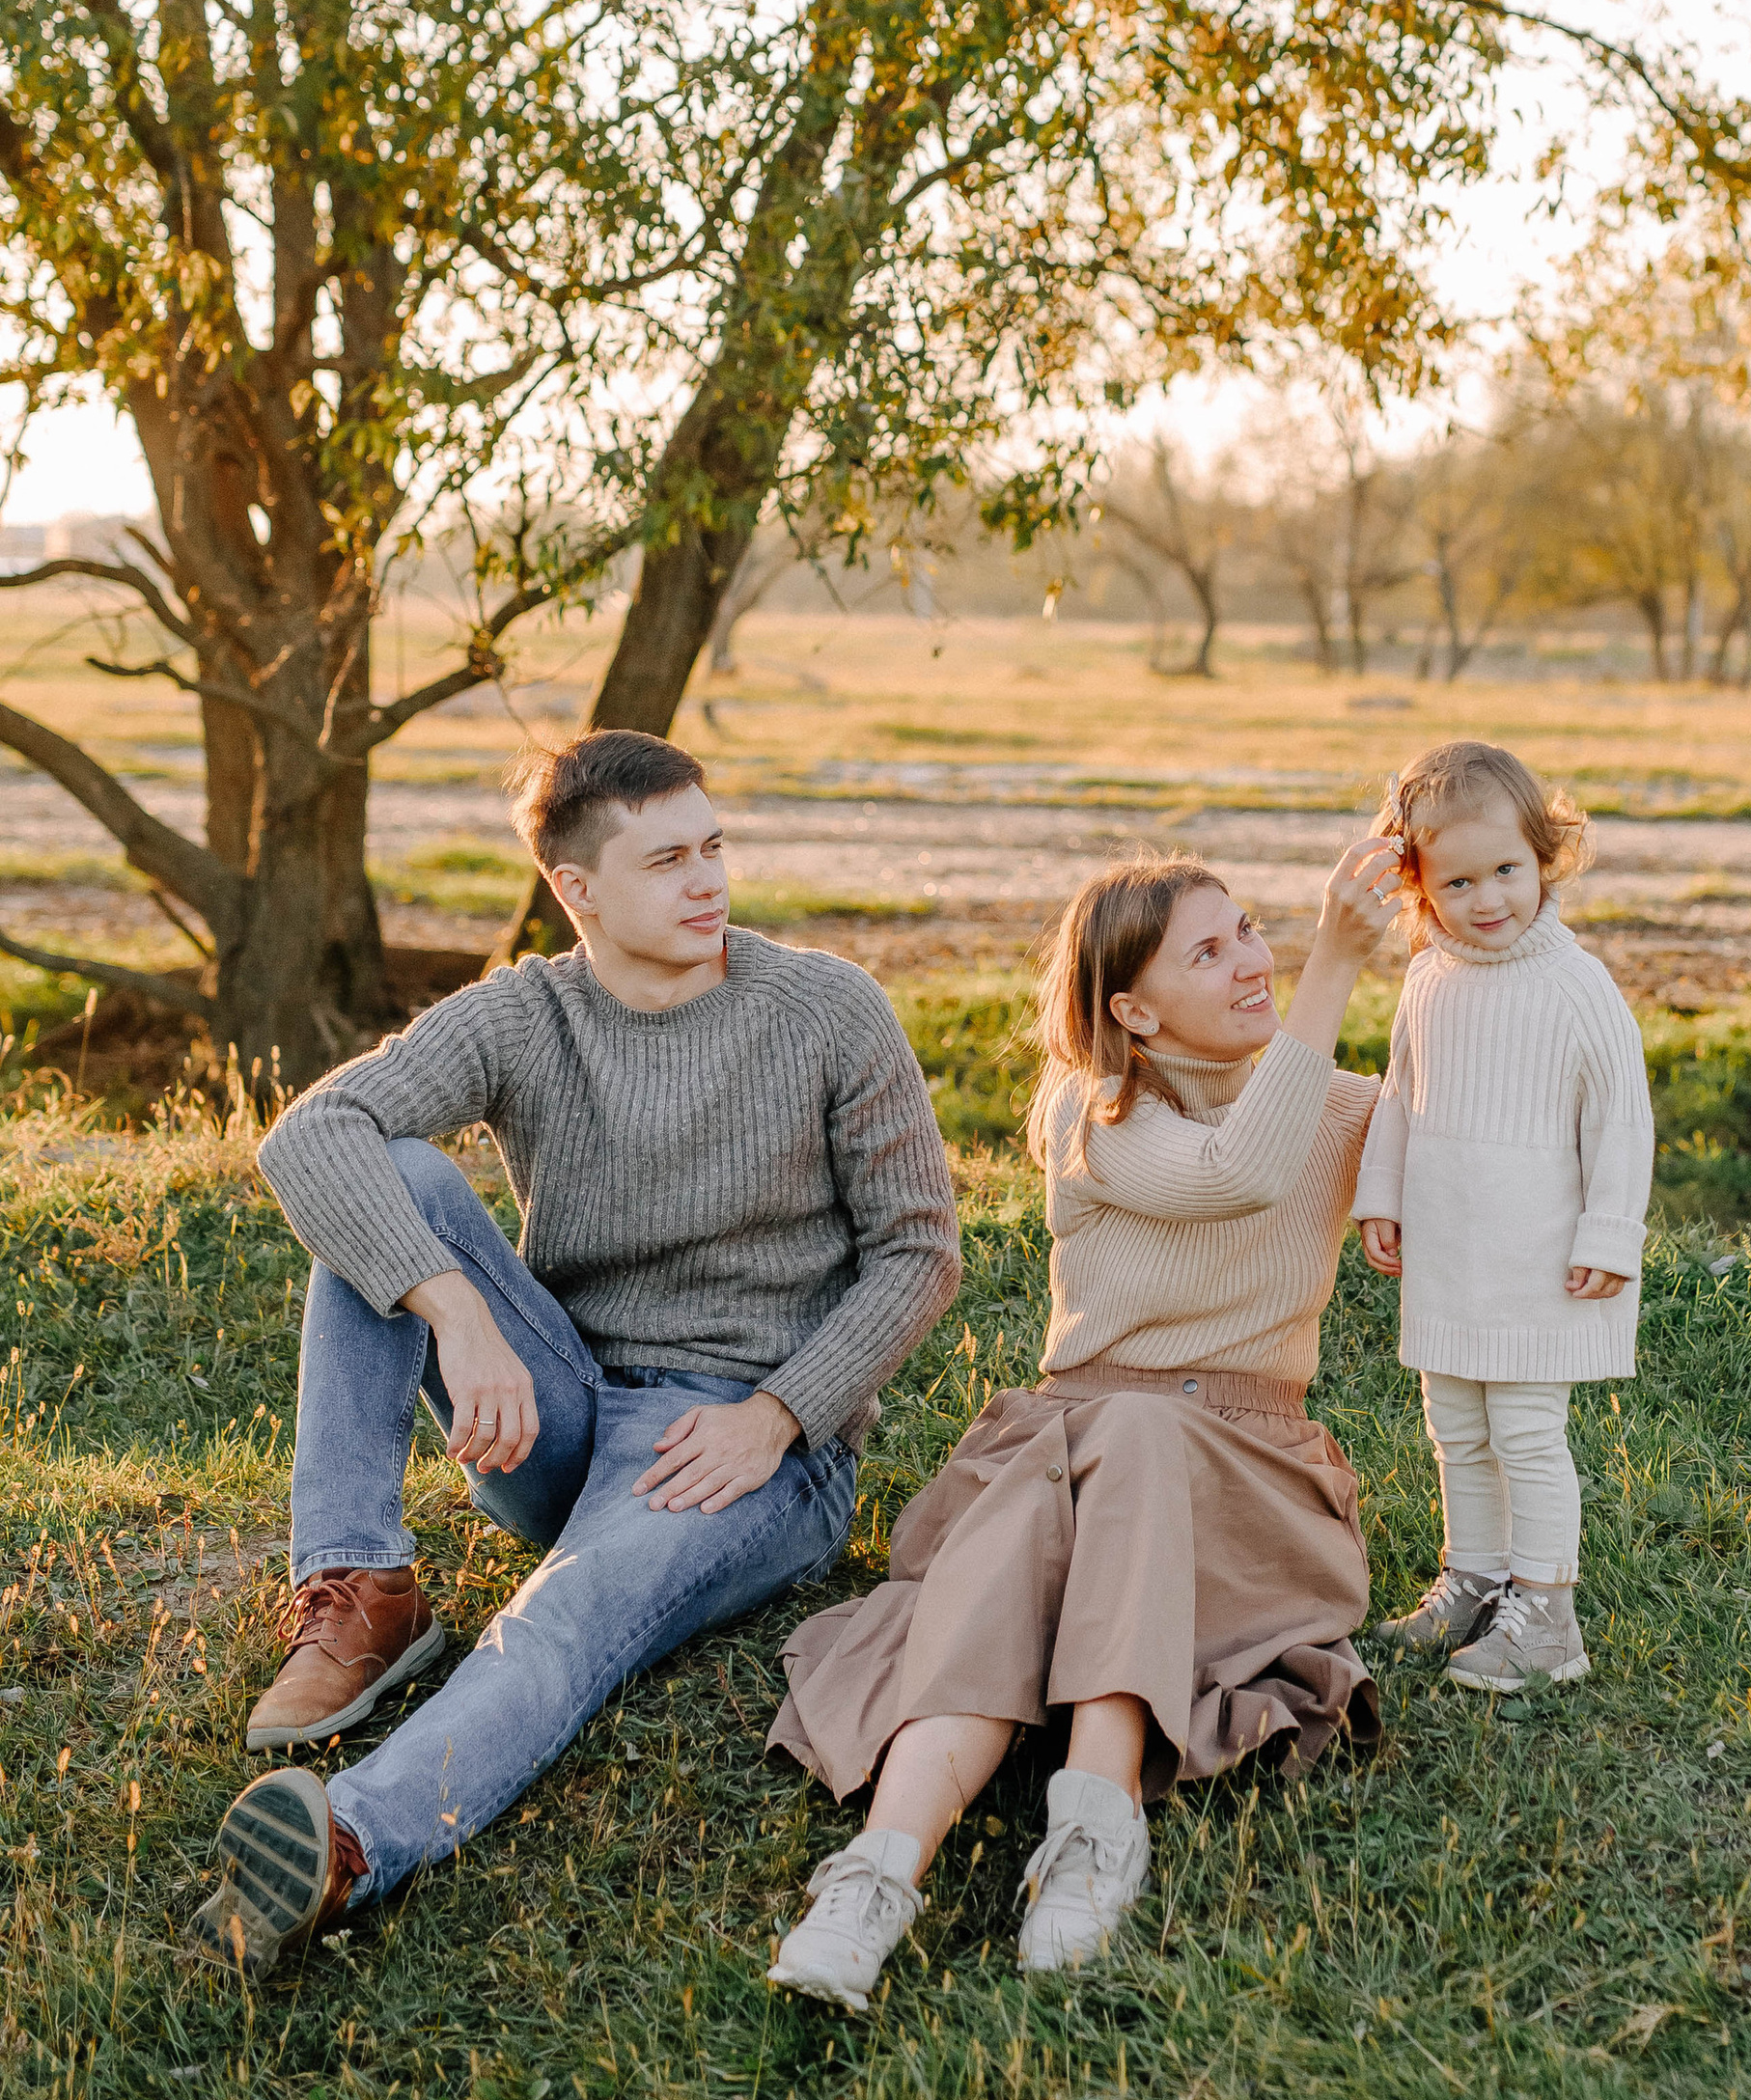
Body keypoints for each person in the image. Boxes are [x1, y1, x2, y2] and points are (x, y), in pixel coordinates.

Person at [187, 728, 960, 1976]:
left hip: (743, 1445)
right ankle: (362, 1587)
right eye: (666, 860)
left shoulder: (827, 1008)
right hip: (558, 1406)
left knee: (560, 1622)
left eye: (713, 846)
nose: (707, 881)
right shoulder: (525, 1013)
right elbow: (308, 1135)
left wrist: (780, 1413)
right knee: (383, 1175)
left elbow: (921, 1253)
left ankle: (343, 1845)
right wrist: (460, 1311)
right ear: (576, 889)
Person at [763, 833, 1398, 2009]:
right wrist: (1337, 968)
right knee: (1034, 1528)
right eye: (1206, 953)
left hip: (1247, 1477)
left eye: (1250, 930)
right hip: (1073, 1441)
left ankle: (1093, 1835)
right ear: (1134, 1013)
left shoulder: (1332, 1100)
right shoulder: (1091, 1111)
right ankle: (876, 1877)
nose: (1250, 960)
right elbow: (1232, 1175)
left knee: (1140, 1442)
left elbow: (1466, 1122)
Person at [1353, 737, 1654, 1693]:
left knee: (1525, 1432)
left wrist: (1608, 1233)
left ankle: (1548, 1618)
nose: (1486, 901)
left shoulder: (1574, 984)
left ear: (1544, 858)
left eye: (1506, 872)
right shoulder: (1428, 980)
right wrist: (1382, 1196)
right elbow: (1400, 1095)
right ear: (1420, 888)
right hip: (1451, 1246)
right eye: (1458, 883)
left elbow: (1622, 1116)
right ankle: (1473, 1582)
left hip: (1537, 1257)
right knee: (1456, 1426)